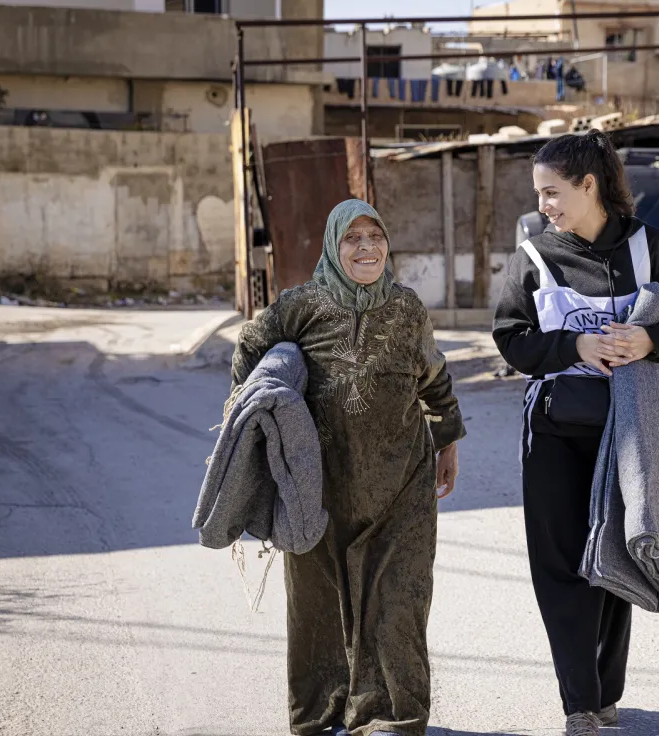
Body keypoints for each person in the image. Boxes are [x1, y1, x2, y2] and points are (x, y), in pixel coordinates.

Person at [492, 130, 659, 736]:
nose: (544, 206)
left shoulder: (648, 247)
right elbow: (510, 338)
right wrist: (574, 344)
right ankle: (579, 703)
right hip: (556, 435)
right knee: (560, 566)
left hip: (632, 433)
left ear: (590, 185)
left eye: (553, 192)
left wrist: (651, 339)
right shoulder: (534, 255)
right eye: (540, 194)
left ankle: (606, 693)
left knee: (613, 558)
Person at [228, 199, 464, 736]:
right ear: (334, 248)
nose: (366, 248)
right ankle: (321, 711)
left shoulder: (406, 308)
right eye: (352, 238)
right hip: (318, 487)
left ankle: (390, 716)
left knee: (399, 601)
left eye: (375, 236)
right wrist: (261, 427)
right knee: (317, 606)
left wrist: (447, 439)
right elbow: (249, 352)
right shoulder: (300, 305)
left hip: (401, 481)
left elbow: (433, 376)